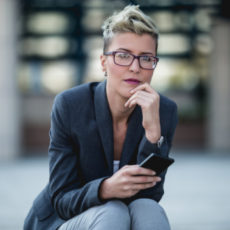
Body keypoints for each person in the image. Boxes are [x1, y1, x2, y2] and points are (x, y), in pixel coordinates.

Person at [24, 5, 178, 230]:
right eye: (123, 56)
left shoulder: (163, 110)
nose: (135, 67)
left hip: (120, 217)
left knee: (149, 210)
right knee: (112, 212)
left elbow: (150, 194)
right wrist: (105, 189)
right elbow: (61, 200)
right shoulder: (70, 105)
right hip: (63, 220)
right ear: (103, 62)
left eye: (146, 58)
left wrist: (153, 134)